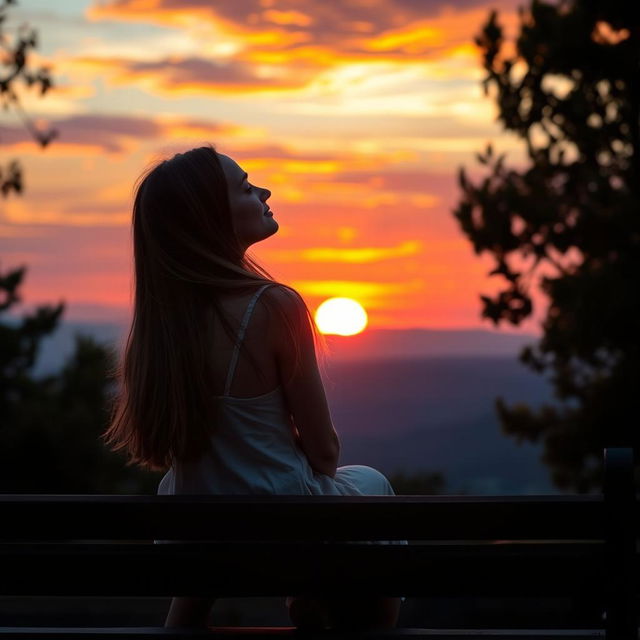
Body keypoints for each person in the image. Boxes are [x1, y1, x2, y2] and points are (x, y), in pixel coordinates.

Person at [101, 145, 405, 630]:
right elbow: (325, 453)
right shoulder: (273, 306)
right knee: (371, 486)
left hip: (196, 528)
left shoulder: (160, 332)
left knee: (221, 514)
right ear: (211, 217)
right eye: (245, 187)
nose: (264, 192)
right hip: (281, 525)